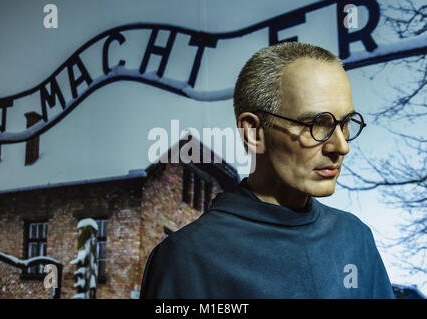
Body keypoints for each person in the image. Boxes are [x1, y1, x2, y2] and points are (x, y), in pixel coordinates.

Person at [140, 42, 395, 298]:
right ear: (254, 132)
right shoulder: (185, 258)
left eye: (346, 123)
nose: (341, 147)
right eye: (317, 124)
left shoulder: (355, 239)